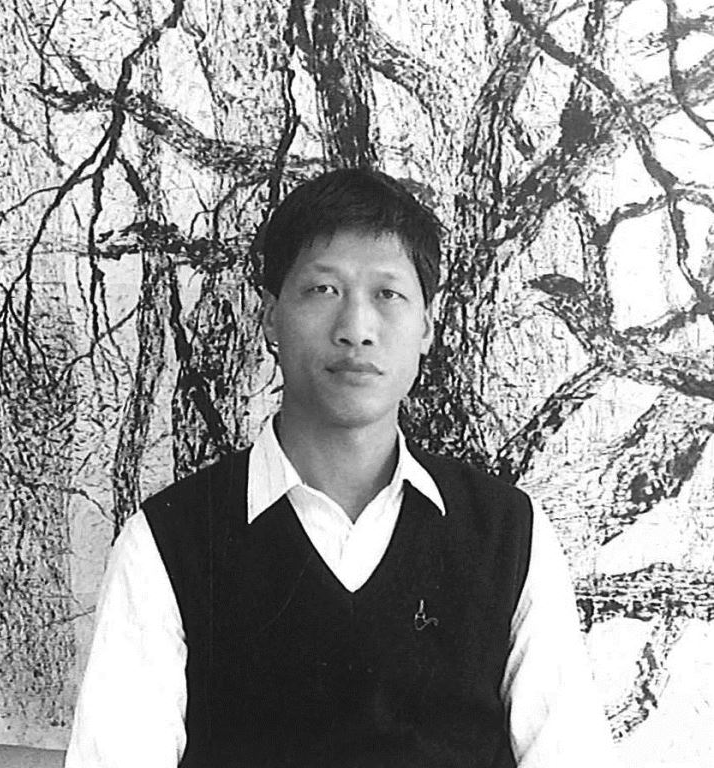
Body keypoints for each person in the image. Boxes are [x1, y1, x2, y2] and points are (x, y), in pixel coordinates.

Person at [65, 168, 617, 767]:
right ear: (271, 317)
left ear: (427, 326)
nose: (356, 329)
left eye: (388, 294)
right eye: (324, 289)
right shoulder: (170, 540)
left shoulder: (507, 532)